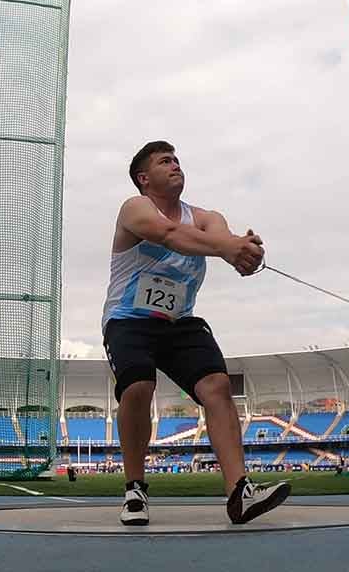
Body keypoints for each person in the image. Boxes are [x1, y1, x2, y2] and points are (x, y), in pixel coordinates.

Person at [102, 141, 291, 526]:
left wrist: (243, 252)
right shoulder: (135, 209)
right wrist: (231, 247)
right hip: (129, 319)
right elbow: (171, 235)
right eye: (164, 161)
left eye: (176, 160)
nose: (175, 165)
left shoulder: (207, 217)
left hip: (179, 321)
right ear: (144, 178)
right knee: (138, 385)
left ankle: (240, 491)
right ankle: (135, 488)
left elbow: (220, 240)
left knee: (218, 386)